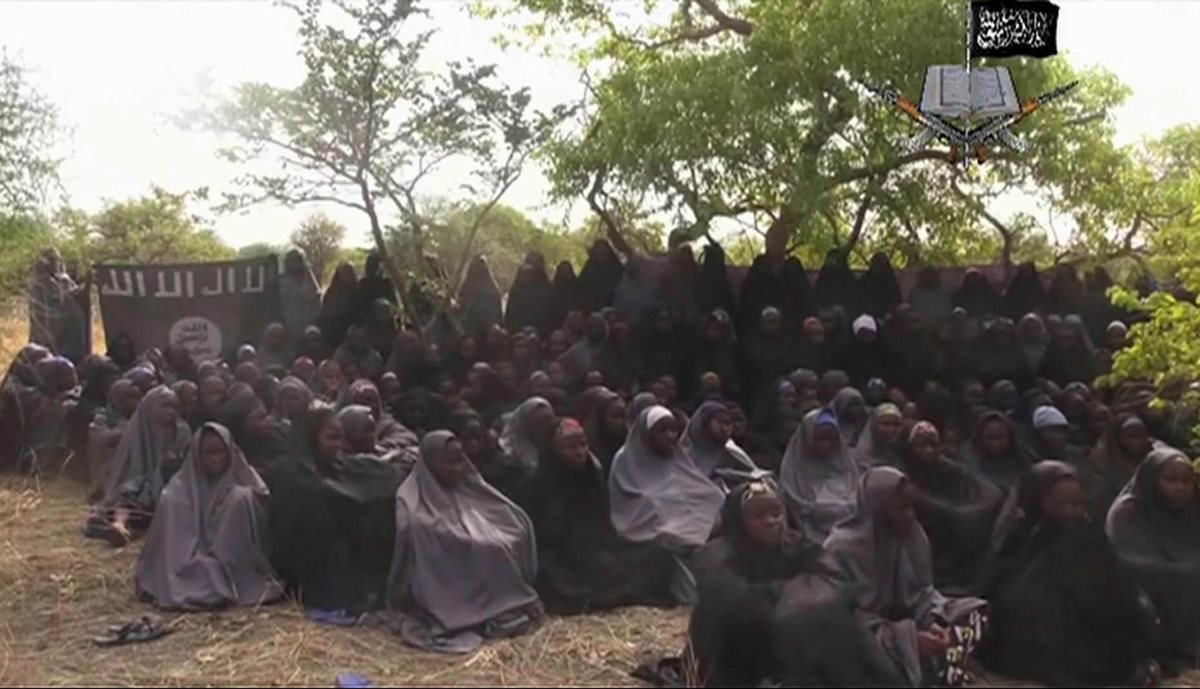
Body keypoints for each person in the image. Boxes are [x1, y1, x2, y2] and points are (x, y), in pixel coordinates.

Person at [687, 479, 903, 687]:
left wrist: (791, 601)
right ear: (738, 521)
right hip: (739, 654)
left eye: (776, 513)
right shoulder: (716, 555)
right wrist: (790, 595)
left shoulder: (794, 544)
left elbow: (835, 583)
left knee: (846, 625)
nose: (772, 521)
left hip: (797, 637)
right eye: (759, 515)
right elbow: (744, 606)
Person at [980, 461, 1162, 686]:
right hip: (1038, 627)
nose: (1071, 511)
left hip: (1087, 619)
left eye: (1076, 504)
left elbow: (1117, 587)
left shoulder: (1086, 532)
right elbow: (1000, 589)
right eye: (1061, 504)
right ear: (1036, 499)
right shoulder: (1020, 530)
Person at [824, 467, 988, 687]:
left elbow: (923, 592)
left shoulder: (913, 535)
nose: (909, 515)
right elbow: (846, 620)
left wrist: (931, 623)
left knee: (974, 614)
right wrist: (908, 639)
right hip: (868, 636)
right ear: (877, 508)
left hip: (911, 623)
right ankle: (940, 667)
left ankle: (941, 662)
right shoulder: (841, 549)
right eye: (900, 508)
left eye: (912, 507)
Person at [386, 430, 543, 653]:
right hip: (447, 557)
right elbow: (414, 525)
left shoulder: (467, 482)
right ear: (431, 462)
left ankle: (500, 602)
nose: (458, 468)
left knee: (505, 538)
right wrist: (461, 535)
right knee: (488, 547)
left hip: (473, 533)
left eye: (460, 460)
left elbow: (496, 506)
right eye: (449, 462)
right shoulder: (411, 495)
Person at [519, 418, 677, 614]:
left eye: (583, 445)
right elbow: (539, 536)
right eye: (570, 447)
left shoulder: (591, 474)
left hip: (598, 548)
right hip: (561, 558)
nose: (579, 453)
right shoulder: (535, 483)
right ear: (553, 450)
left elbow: (602, 521)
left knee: (659, 555)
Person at [264, 405, 405, 614]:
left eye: (341, 438)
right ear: (310, 439)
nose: (338, 445)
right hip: (309, 566)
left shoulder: (334, 465)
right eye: (331, 438)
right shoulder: (289, 475)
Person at [135, 422, 283, 611]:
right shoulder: (175, 495)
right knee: (203, 576)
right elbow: (174, 557)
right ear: (197, 455)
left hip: (230, 565)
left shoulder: (241, 483)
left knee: (241, 497)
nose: (216, 459)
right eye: (209, 453)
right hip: (187, 564)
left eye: (221, 452)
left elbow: (261, 499)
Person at [608, 406, 725, 601]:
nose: (670, 436)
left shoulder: (674, 457)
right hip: (654, 535)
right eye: (662, 431)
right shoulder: (626, 460)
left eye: (673, 430)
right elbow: (631, 508)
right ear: (646, 434)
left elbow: (698, 489)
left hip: (689, 529)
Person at [1106, 447, 1200, 667]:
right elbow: (1126, 561)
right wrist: (1185, 569)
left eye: (1186, 481)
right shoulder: (1128, 510)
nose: (1180, 487)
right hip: (1143, 586)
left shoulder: (1193, 509)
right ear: (1151, 479)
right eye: (1170, 479)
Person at [897, 422, 1003, 594]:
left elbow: (983, 493)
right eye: (922, 445)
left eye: (933, 445)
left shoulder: (948, 469)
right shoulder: (899, 472)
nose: (929, 451)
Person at [86, 385, 192, 546]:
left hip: (168, 481)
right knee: (130, 493)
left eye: (175, 407)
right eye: (165, 406)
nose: (171, 411)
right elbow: (127, 465)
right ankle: (119, 525)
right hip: (138, 482)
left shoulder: (182, 431)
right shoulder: (137, 428)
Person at [779, 408, 860, 544]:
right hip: (809, 540)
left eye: (832, 439)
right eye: (822, 439)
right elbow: (798, 508)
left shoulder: (846, 467)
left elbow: (858, 499)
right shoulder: (794, 473)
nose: (827, 444)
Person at [86, 378, 141, 502]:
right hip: (107, 473)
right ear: (118, 399)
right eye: (131, 398)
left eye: (138, 397)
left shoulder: (141, 421)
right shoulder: (102, 418)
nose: (136, 403)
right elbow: (102, 439)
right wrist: (125, 429)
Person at [678, 401, 759, 484]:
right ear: (705, 424)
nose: (725, 429)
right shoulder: (682, 457)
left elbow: (755, 475)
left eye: (727, 423)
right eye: (720, 422)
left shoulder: (732, 453)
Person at [27, 247, 86, 361]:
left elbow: (73, 292)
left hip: (66, 331)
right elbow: (58, 298)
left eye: (57, 260)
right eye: (53, 260)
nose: (56, 264)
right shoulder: (38, 282)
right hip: (47, 329)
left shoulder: (63, 279)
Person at [498, 396, 556, 471]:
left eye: (549, 419)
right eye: (539, 423)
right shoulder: (514, 462)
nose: (547, 426)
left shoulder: (565, 447)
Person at [278, 248, 322, 344]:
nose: (296, 263)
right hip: (288, 326)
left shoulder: (308, 278)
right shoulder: (282, 281)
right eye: (293, 260)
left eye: (298, 260)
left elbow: (315, 296)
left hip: (308, 324)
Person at [458, 255, 504, 341]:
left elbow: (498, 313)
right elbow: (461, 308)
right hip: (470, 330)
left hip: (488, 332)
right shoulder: (467, 287)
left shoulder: (492, 289)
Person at [318, 262, 359, 350]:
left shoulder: (358, 292)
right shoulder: (331, 293)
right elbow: (326, 315)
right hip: (334, 336)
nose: (348, 277)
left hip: (355, 337)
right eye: (345, 273)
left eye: (350, 273)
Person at [852, 403, 905, 470]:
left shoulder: (905, 454)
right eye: (885, 424)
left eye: (896, 424)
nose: (891, 429)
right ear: (874, 427)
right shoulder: (859, 458)